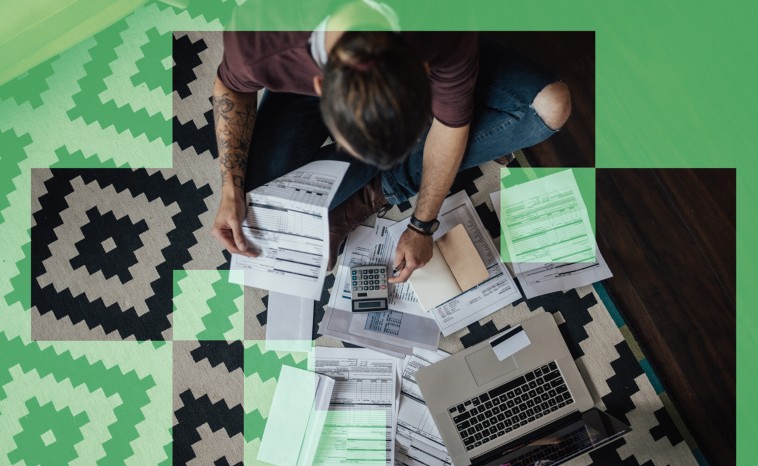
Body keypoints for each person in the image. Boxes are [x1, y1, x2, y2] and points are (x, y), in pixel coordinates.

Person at [210, 1, 571, 283]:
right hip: (305, 48)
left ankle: (378, 190)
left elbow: (450, 125)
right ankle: (373, 178)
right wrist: (230, 188)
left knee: (550, 107)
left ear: (424, 72)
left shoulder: (441, 24)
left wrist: (422, 223)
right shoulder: (264, 36)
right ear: (320, 86)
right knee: (259, 202)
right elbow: (230, 87)